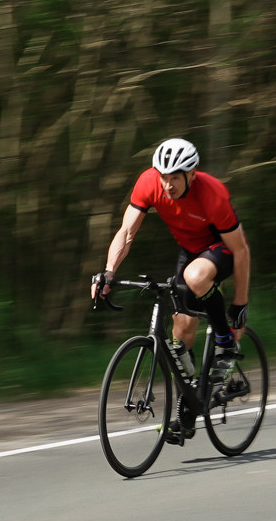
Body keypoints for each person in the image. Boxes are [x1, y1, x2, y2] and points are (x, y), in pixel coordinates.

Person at [92, 138, 254, 416]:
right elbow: (126, 232)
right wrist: (108, 272)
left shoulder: (212, 194)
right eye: (164, 177)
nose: (168, 185)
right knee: (181, 330)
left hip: (223, 249)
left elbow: (241, 250)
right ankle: (189, 404)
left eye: (176, 178)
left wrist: (240, 304)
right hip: (189, 250)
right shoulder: (148, 183)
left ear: (192, 173)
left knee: (195, 276)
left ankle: (226, 344)